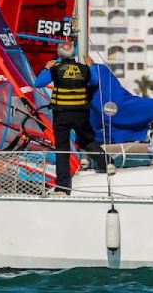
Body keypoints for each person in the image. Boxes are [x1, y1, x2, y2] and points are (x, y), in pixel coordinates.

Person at [34, 41, 106, 194]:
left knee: (62, 149)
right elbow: (95, 81)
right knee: (87, 140)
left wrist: (46, 68)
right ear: (73, 53)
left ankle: (63, 186)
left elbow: (38, 83)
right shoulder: (84, 69)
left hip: (61, 115)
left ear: (59, 53)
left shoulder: (55, 69)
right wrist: (91, 66)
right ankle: (106, 163)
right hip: (80, 114)